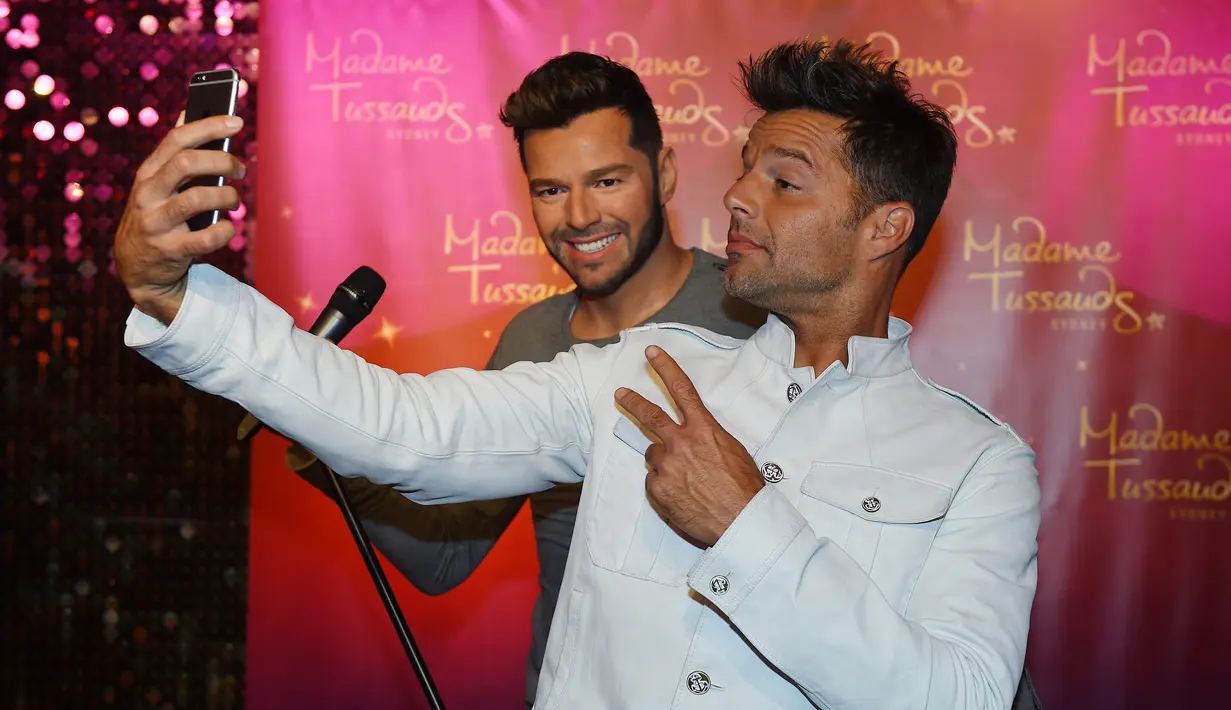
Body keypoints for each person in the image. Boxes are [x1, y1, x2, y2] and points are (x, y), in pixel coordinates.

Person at [116, 38, 1041, 709]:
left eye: (785, 181)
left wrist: (747, 524)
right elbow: (409, 429)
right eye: (747, 168)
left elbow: (958, 696)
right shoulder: (631, 370)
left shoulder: (977, 463)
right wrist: (176, 298)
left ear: (885, 228)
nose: (738, 195)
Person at [282, 51, 766, 707]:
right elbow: (445, 556)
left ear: (664, 173)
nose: (577, 217)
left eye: (606, 180)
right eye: (550, 189)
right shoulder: (531, 341)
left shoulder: (754, 319)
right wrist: (330, 440)